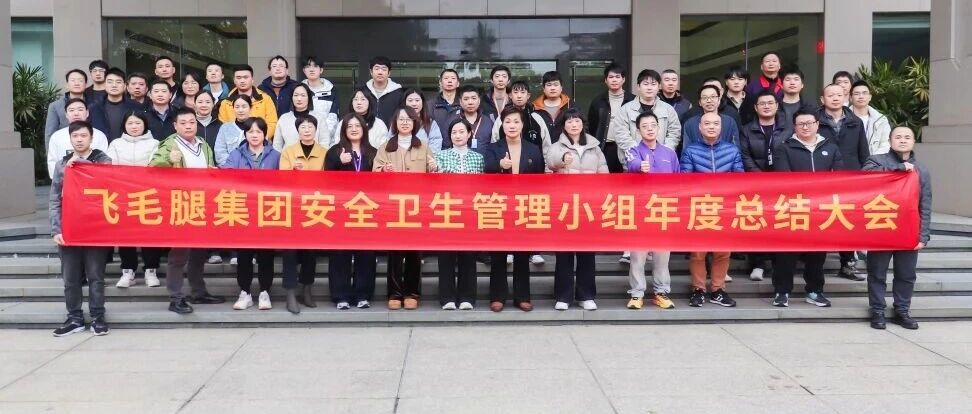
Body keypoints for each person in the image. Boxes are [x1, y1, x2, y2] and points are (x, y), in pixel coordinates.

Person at [149, 108, 224, 313]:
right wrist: (168, 160)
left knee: (199, 251)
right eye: (183, 123)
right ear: (175, 126)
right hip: (180, 203)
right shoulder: (169, 144)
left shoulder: (203, 144)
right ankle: (175, 297)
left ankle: (198, 292)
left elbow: (210, 168)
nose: (188, 126)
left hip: (201, 203)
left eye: (192, 122)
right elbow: (152, 167)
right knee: (179, 254)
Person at [771, 109, 844, 308]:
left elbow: (839, 177)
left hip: (821, 209)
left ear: (817, 125)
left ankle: (814, 290)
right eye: (801, 124)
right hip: (792, 207)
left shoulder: (830, 148)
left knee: (817, 254)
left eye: (809, 123)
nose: (805, 127)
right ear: (794, 127)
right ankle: (782, 291)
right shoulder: (784, 148)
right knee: (786, 253)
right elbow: (784, 178)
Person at [863, 126, 931, 330]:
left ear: (913, 142)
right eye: (898, 137)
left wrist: (923, 235)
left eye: (907, 137)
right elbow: (866, 177)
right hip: (881, 226)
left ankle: (902, 310)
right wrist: (898, 169)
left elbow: (925, 204)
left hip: (908, 230)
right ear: (890, 141)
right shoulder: (876, 161)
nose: (903, 140)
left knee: (906, 274)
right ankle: (877, 310)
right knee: (877, 273)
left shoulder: (921, 169)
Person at [49, 120, 113, 337]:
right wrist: (56, 229)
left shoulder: (103, 159)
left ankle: (98, 317)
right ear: (70, 139)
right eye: (75, 136)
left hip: (95, 229)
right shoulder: (62, 164)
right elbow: (54, 199)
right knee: (70, 278)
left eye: (83, 136)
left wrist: (80, 165)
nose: (79, 140)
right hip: (69, 229)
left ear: (91, 138)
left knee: (96, 276)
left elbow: (107, 183)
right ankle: (74, 317)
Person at [374, 107, 438, 310]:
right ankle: (394, 293)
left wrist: (434, 168)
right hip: (393, 207)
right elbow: (374, 174)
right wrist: (383, 170)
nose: (404, 122)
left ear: (415, 123)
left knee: (414, 253)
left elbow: (433, 174)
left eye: (408, 119)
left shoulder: (423, 147)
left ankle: (412, 292)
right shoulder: (385, 147)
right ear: (395, 123)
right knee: (394, 253)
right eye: (401, 119)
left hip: (416, 207)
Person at [484, 106, 544, 312]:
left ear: (522, 124)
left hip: (524, 206)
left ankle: (522, 296)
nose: (512, 125)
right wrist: (500, 166)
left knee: (522, 254)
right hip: (499, 206)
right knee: (498, 255)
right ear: (502, 125)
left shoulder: (533, 149)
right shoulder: (493, 148)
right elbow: (486, 171)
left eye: (516, 121)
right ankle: (497, 296)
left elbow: (539, 178)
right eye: (508, 121)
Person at [546, 109, 608, 311]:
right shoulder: (556, 146)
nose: (574, 124)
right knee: (564, 254)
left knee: (586, 253)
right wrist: (563, 161)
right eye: (569, 121)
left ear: (583, 123)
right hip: (565, 206)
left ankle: (586, 295)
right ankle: (563, 296)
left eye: (577, 121)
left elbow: (604, 174)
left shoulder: (595, 147)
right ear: (563, 125)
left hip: (588, 206)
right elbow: (551, 163)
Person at [680, 112, 742, 308]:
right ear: (700, 127)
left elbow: (740, 178)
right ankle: (698, 289)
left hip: (725, 208)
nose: (711, 127)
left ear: (721, 127)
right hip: (700, 207)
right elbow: (685, 179)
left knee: (722, 252)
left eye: (716, 123)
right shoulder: (690, 150)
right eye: (707, 123)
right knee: (698, 253)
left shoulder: (732, 150)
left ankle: (718, 289)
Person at [225, 117, 281, 312]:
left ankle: (265, 291)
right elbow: (227, 177)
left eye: (258, 132)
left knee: (266, 255)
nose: (254, 135)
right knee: (244, 255)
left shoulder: (276, 155)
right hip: (243, 210)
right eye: (250, 132)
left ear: (265, 134)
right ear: (245, 134)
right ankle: (245, 292)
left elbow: (283, 181)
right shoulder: (236, 154)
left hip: (268, 211)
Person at [625, 112, 679, 310]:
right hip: (640, 210)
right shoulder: (633, 151)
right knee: (637, 256)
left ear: (658, 127)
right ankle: (637, 293)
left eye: (653, 125)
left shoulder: (669, 153)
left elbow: (678, 181)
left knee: (662, 256)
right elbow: (631, 164)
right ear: (638, 130)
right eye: (645, 126)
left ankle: (661, 292)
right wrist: (640, 166)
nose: (649, 129)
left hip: (663, 210)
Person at [817, 83, 870, 281]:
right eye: (830, 95)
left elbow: (864, 153)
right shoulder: (814, 120)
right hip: (822, 180)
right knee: (821, 221)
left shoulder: (855, 122)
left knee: (847, 222)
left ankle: (848, 264)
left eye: (839, 95)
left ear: (845, 98)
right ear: (822, 99)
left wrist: (865, 176)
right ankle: (815, 266)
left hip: (850, 179)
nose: (835, 98)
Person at [324, 113, 378, 310]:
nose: (354, 129)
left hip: (366, 210)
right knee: (340, 253)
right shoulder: (334, 151)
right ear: (344, 130)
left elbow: (380, 181)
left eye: (357, 125)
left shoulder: (373, 152)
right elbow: (326, 180)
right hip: (341, 210)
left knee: (366, 253)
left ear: (364, 129)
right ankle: (341, 295)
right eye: (350, 126)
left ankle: (363, 294)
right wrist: (339, 162)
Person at [739, 90, 793, 281]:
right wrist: (760, 178)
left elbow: (792, 153)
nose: (767, 106)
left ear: (777, 106)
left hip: (782, 183)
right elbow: (745, 156)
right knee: (757, 222)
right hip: (756, 183)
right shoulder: (747, 129)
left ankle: (779, 264)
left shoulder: (788, 128)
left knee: (780, 222)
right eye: (762, 103)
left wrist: (780, 178)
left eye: (770, 103)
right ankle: (758, 263)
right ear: (755, 107)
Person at [105, 111, 161, 289]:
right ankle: (128, 271)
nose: (134, 126)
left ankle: (151, 270)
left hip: (148, 195)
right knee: (125, 235)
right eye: (130, 123)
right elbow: (111, 168)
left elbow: (155, 167)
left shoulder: (154, 143)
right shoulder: (116, 144)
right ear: (124, 125)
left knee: (150, 235)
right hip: (123, 196)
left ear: (144, 125)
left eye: (138, 123)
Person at [435, 118, 485, 310]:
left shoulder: (478, 158)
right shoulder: (440, 156)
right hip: (447, 211)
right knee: (446, 257)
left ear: (469, 134)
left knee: (468, 256)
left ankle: (467, 297)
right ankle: (447, 297)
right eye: (454, 132)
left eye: (462, 131)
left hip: (470, 213)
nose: (458, 135)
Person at [278, 114, 325, 314]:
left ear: (316, 130)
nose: (307, 130)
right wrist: (292, 171)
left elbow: (329, 180)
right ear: (297, 131)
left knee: (310, 252)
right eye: (303, 127)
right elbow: (281, 180)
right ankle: (290, 292)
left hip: (315, 208)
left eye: (310, 127)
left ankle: (307, 289)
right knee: (290, 252)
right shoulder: (288, 152)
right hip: (293, 208)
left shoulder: (324, 152)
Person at [614, 69, 681, 164]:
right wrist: (638, 153)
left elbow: (675, 133)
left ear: (659, 86)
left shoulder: (668, 109)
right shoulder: (625, 109)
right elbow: (621, 135)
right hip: (633, 162)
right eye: (645, 84)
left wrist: (663, 152)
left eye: (653, 84)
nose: (649, 88)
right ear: (638, 87)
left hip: (662, 162)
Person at [588, 63, 635, 173]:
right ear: (606, 80)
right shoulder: (598, 101)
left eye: (618, 77)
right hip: (605, 148)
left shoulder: (633, 100)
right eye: (611, 77)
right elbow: (592, 126)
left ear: (623, 79)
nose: (614, 80)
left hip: (628, 148)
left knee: (628, 180)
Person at [490, 80, 552, 162]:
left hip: (534, 166)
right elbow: (494, 142)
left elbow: (546, 145)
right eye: (515, 92)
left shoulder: (536, 118)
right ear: (510, 95)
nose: (519, 96)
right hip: (507, 165)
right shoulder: (503, 118)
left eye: (523, 92)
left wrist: (547, 167)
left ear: (528, 96)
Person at [47, 98, 109, 178]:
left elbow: (105, 164)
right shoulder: (57, 136)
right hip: (66, 181)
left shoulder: (99, 135)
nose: (76, 113)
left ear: (87, 113)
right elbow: (52, 163)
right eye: (71, 110)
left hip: (93, 182)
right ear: (66, 114)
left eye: (80, 109)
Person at [218, 64, 278, 139]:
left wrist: (260, 139)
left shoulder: (265, 99)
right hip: (233, 144)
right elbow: (223, 127)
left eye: (246, 77)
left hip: (261, 143)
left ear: (252, 79)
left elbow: (272, 123)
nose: (242, 81)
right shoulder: (226, 103)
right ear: (234, 80)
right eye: (238, 78)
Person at [89, 67, 142, 142]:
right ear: (104, 85)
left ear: (125, 86)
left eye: (118, 82)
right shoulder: (94, 108)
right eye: (110, 82)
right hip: (101, 147)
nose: (114, 85)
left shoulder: (136, 107)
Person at [680, 84, 741, 150]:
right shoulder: (690, 123)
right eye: (704, 97)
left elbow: (736, 149)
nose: (709, 100)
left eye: (713, 97)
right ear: (700, 102)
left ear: (719, 100)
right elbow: (686, 150)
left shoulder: (730, 122)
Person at [273, 84, 331, 151]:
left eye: (303, 95)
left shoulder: (319, 118)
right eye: (296, 95)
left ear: (309, 97)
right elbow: (277, 145)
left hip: (314, 156)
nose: (299, 99)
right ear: (291, 97)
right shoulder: (284, 119)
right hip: (288, 157)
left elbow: (324, 143)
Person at [44, 69, 88, 148]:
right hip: (64, 148)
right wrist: (50, 153)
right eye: (73, 80)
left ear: (85, 84)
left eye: (80, 80)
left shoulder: (93, 104)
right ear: (67, 84)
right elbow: (50, 133)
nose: (76, 83)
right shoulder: (55, 106)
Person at [741, 51, 784, 124]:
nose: (771, 64)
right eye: (767, 61)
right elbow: (746, 111)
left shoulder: (785, 85)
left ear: (779, 66)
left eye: (774, 61)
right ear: (761, 66)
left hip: (782, 125)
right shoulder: (752, 86)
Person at [302, 56, 340, 138]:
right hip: (304, 138)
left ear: (321, 70)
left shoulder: (331, 90)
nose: (311, 70)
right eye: (308, 67)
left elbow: (333, 117)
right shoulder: (299, 91)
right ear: (304, 71)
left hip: (326, 139)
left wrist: (323, 136)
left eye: (315, 66)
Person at [359, 56, 404, 125]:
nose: (380, 72)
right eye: (376, 69)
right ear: (371, 72)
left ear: (389, 73)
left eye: (384, 69)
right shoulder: (363, 92)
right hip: (366, 130)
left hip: (391, 131)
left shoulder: (399, 93)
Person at [850, 80, 891, 155]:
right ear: (851, 98)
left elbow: (885, 144)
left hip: (875, 160)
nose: (861, 96)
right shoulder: (843, 118)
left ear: (870, 97)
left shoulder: (881, 120)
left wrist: (872, 160)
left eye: (864, 93)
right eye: (857, 94)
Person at [446, 85, 493, 152]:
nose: (470, 102)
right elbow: (446, 144)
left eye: (474, 98)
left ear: (479, 101)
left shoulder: (488, 121)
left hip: (485, 158)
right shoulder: (452, 120)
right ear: (460, 102)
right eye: (466, 99)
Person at [214, 94, 253, 167]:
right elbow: (220, 152)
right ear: (233, 109)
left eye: (244, 107)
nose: (240, 110)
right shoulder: (225, 128)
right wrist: (232, 165)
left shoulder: (257, 127)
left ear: (250, 108)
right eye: (237, 107)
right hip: (229, 169)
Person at [532, 71, 573, 139]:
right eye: (549, 85)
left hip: (566, 145)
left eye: (556, 84)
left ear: (561, 87)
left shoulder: (570, 106)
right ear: (543, 89)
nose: (552, 88)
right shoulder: (535, 107)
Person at [402, 88, 444, 153]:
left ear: (423, 102)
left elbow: (436, 145)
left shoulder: (430, 123)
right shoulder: (398, 121)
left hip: (424, 158)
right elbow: (391, 140)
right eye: (410, 100)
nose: (414, 104)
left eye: (417, 100)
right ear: (405, 102)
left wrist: (422, 156)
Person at [431, 69, 462, 136]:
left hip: (458, 141)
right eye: (446, 78)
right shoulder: (431, 104)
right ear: (440, 83)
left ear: (458, 83)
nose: (449, 81)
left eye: (453, 78)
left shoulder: (464, 103)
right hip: (437, 141)